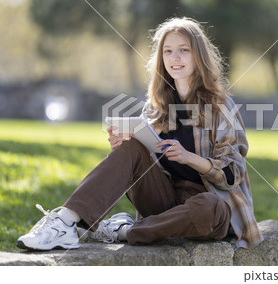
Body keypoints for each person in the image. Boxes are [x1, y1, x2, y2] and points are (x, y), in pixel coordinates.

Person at [17, 17, 263, 251]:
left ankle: (124, 232)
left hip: (208, 206)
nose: (174, 58)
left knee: (209, 207)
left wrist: (189, 157)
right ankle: (65, 222)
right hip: (163, 200)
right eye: (167, 51)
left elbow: (234, 173)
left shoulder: (221, 106)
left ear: (198, 55)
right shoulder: (154, 107)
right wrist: (125, 148)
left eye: (183, 50)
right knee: (131, 147)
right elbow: (145, 161)